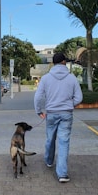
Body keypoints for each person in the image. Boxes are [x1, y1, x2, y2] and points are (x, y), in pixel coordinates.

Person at [34, 52, 83, 183]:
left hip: (51, 113)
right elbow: (79, 97)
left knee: (50, 138)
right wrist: (69, 104)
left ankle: (49, 161)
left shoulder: (45, 78)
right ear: (63, 62)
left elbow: (38, 97)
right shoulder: (72, 78)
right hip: (66, 113)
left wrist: (39, 111)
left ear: (53, 63)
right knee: (64, 142)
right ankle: (62, 174)